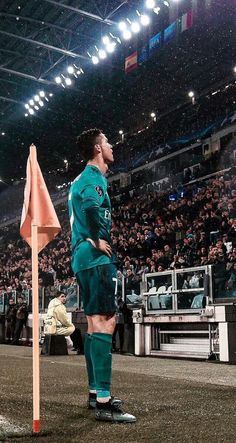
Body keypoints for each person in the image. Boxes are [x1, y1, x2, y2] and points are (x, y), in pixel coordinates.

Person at [68, 129, 136, 423]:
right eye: (107, 141)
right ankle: (105, 401)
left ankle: (97, 393)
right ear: (98, 148)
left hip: (82, 259)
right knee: (106, 321)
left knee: (95, 324)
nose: (111, 146)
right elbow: (92, 207)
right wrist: (97, 238)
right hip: (95, 257)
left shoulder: (81, 180)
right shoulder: (93, 178)